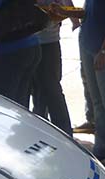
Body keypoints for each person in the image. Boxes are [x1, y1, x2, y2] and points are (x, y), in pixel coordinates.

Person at [51, 0, 105, 172]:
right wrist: (67, 12)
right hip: (89, 45)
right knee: (98, 102)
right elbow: (91, 13)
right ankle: (101, 149)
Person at [30, 0, 80, 136]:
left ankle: (65, 133)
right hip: (28, 42)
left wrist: (73, 19)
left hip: (47, 42)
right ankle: (40, 129)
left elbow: (62, 7)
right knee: (38, 91)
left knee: (52, 90)